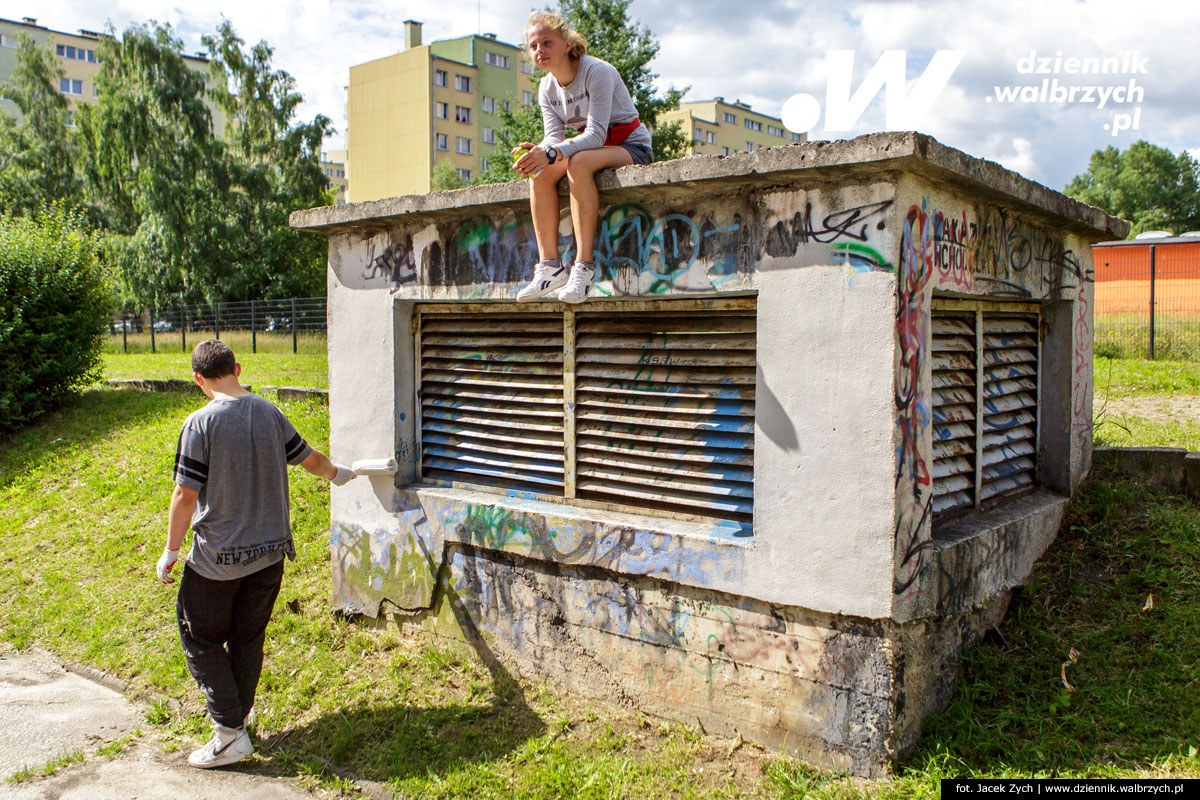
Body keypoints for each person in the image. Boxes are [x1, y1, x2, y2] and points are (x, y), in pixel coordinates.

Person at [155, 340, 356, 769]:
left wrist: (171, 551)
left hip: (216, 562)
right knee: (247, 639)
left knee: (200, 636)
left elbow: (184, 495)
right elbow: (313, 461)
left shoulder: (199, 422)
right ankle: (236, 723)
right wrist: (341, 474)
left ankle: (229, 733)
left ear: (198, 380)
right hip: (270, 556)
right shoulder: (269, 412)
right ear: (238, 368)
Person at [513, 10, 653, 304]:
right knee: (539, 172)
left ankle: (584, 267)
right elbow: (554, 137)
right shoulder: (546, 87)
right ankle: (549, 267)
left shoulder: (596, 71)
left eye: (547, 43)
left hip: (630, 146)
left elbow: (596, 135)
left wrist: (552, 152)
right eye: (534, 46)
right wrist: (539, 153)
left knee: (577, 163)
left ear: (566, 44)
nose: (540, 51)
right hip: (591, 148)